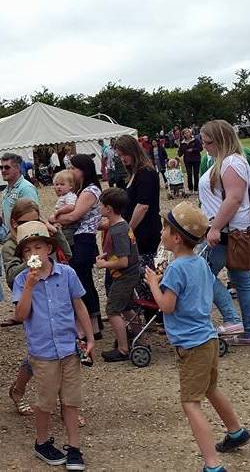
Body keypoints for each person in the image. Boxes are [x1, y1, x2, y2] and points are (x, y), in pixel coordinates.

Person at [143, 202, 250, 472]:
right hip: (208, 340)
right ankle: (236, 431)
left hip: (191, 346)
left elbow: (166, 306)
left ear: (176, 238)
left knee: (191, 402)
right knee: (210, 388)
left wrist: (154, 284)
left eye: (165, 228)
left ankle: (212, 464)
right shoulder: (200, 263)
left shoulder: (177, 269)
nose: (161, 232)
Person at [12, 221, 93, 471]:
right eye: (27, 250)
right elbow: (21, 314)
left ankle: (75, 447)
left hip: (69, 349)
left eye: (38, 247)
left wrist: (89, 337)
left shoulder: (67, 274)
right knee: (45, 402)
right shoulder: (22, 279)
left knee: (71, 400)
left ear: (49, 248)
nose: (33, 254)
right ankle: (42, 441)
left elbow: (79, 305)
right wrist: (29, 287)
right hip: (43, 353)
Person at [1, 198, 72, 417]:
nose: (31, 228)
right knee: (38, 354)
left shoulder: (44, 238)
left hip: (54, 297)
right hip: (32, 301)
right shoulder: (11, 245)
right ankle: (19, 390)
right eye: (24, 223)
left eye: (36, 221)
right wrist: (33, 257)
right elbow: (12, 277)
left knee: (62, 353)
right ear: (14, 223)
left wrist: (52, 232)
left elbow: (67, 254)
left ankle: (66, 406)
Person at [198, 120, 250, 345]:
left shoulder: (231, 163)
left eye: (208, 142)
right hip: (233, 229)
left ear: (221, 140)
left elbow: (234, 198)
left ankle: (233, 319)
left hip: (226, 230)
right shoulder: (228, 161)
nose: (205, 146)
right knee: (242, 280)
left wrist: (214, 227)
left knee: (203, 273)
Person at [52, 154, 104, 338]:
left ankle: (88, 326)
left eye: (74, 168)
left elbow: (75, 215)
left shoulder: (89, 191)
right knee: (85, 281)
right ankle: (94, 325)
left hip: (83, 239)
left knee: (81, 283)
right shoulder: (83, 190)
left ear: (83, 170)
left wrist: (54, 218)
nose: (71, 172)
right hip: (82, 238)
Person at [95, 188, 139, 363]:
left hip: (124, 276)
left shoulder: (117, 231)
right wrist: (105, 256)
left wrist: (104, 264)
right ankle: (138, 339)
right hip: (126, 275)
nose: (99, 208)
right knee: (127, 309)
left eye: (101, 205)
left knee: (112, 310)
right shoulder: (120, 225)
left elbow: (123, 261)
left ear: (109, 209)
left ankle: (123, 348)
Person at [113, 135, 161, 269]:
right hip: (138, 231)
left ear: (133, 151)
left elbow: (142, 206)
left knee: (145, 272)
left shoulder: (145, 173)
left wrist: (129, 230)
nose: (123, 159)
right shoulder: (134, 173)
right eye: (120, 156)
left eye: (125, 155)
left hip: (145, 231)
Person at [0, 152, 40, 227]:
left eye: (7, 167)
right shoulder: (5, 191)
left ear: (18, 168)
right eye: (1, 167)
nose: (3, 170)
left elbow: (32, 217)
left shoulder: (26, 188)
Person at [52, 169, 78, 250]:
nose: (59, 187)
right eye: (57, 184)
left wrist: (59, 211)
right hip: (63, 225)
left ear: (70, 186)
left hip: (69, 227)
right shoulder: (63, 196)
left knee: (67, 244)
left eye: (62, 184)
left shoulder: (69, 196)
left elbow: (71, 206)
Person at [179, 127, 203, 194]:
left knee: (196, 174)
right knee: (189, 174)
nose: (187, 134)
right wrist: (179, 148)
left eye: (188, 132)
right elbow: (180, 153)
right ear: (183, 135)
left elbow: (201, 148)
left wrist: (193, 149)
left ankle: (196, 189)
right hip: (187, 160)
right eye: (185, 133)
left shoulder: (195, 140)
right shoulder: (182, 143)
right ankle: (190, 189)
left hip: (196, 159)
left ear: (190, 133)